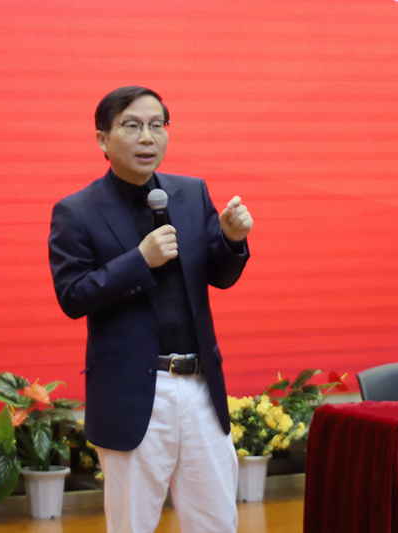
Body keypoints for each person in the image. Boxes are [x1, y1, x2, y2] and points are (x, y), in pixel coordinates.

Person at [48, 86, 253, 533]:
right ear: (103, 139)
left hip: (200, 386)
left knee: (217, 522)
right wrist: (139, 260)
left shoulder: (191, 193)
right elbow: (73, 295)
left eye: (157, 125)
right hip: (134, 393)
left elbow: (219, 275)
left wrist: (231, 240)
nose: (147, 137)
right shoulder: (77, 211)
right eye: (132, 125)